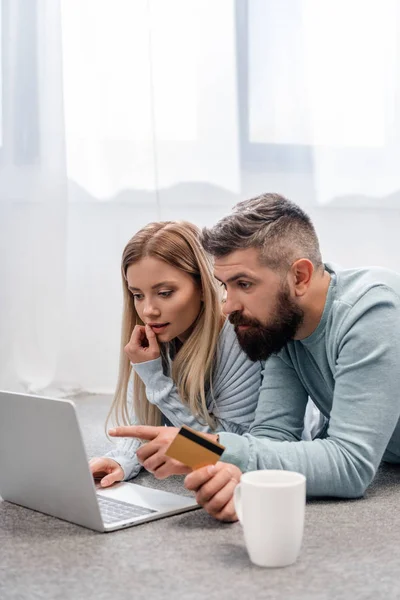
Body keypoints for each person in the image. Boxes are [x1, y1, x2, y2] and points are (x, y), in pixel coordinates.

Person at [113, 194, 400, 521]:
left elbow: (350, 465)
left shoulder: (373, 310)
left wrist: (212, 450)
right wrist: (233, 476)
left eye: (244, 284)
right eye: (225, 285)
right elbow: (271, 438)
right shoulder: (283, 326)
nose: (227, 306)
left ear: (300, 277)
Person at [89, 220, 264, 487]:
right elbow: (146, 419)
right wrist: (122, 460)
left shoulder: (241, 340)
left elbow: (221, 454)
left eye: (165, 293)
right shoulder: (161, 337)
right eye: (137, 295)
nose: (149, 310)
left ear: (204, 286)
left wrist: (155, 380)